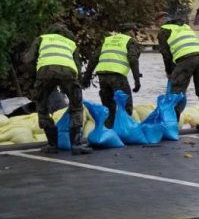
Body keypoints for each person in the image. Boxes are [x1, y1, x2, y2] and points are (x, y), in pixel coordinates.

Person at [25, 23, 91, 155]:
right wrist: (75, 81)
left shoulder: (41, 38)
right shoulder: (70, 43)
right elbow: (77, 66)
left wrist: (36, 75)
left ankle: (52, 145)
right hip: (68, 73)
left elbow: (28, 60)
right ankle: (76, 145)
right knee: (76, 107)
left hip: (45, 72)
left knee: (42, 108)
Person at [157, 15, 199, 132]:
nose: (157, 25)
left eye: (157, 22)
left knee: (176, 91)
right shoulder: (185, 26)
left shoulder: (164, 30)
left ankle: (173, 127)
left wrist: (169, 71)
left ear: (161, 21)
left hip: (185, 58)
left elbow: (166, 54)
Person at [81, 23, 142, 128]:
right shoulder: (131, 41)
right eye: (135, 32)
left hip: (102, 76)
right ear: (131, 31)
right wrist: (137, 80)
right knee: (126, 105)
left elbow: (94, 58)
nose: (135, 34)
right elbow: (133, 59)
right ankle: (125, 131)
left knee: (108, 107)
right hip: (117, 77)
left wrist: (87, 77)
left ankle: (109, 131)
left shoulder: (108, 40)